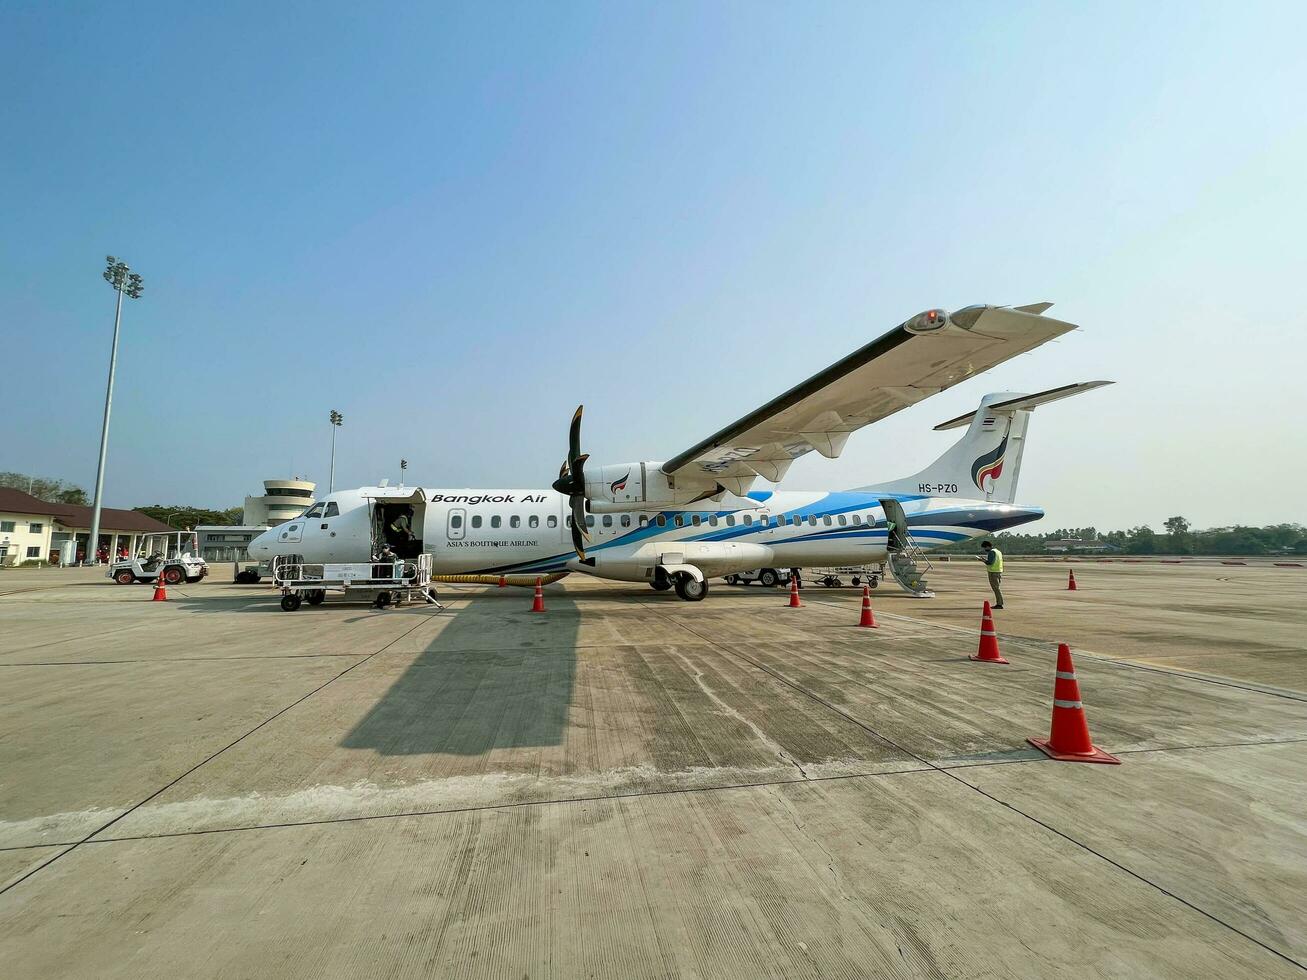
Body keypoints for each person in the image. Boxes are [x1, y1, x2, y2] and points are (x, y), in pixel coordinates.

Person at [976, 540, 1004, 609]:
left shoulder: (992, 552)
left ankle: (999, 604)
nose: (985, 549)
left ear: (988, 546)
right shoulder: (998, 551)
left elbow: (990, 562)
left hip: (993, 572)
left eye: (985, 548)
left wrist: (982, 560)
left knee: (996, 588)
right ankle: (999, 603)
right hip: (998, 571)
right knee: (997, 588)